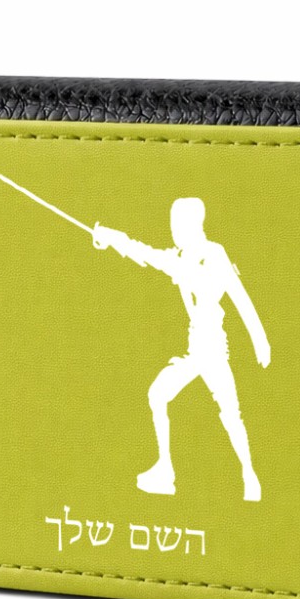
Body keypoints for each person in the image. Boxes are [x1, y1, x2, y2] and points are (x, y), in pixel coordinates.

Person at [93, 198, 270, 501]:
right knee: (157, 395)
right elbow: (143, 252)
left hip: (214, 350)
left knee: (231, 414)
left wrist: (260, 340)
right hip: (195, 349)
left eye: (177, 225)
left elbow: (239, 296)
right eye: (172, 224)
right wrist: (110, 237)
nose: (173, 230)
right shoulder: (177, 257)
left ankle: (249, 475)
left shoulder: (214, 254)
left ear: (193, 225)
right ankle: (166, 472)